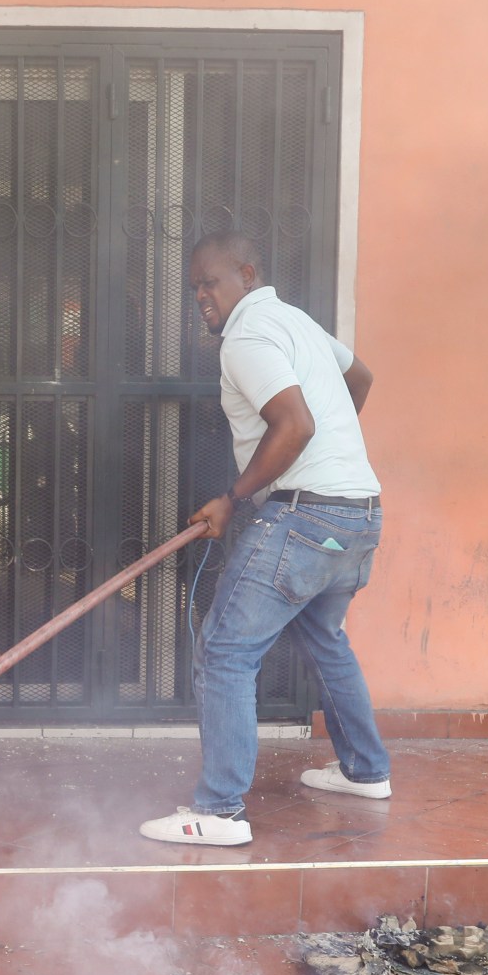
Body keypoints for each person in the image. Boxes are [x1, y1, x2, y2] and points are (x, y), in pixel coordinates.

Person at [140, 232, 391, 846]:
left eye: (211, 282)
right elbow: (359, 376)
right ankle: (366, 771)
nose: (201, 295)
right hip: (358, 515)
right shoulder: (294, 320)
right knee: (324, 639)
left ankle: (219, 811)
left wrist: (232, 499)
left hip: (303, 519)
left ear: (247, 274)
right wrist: (333, 445)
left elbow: (295, 423)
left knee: (226, 652)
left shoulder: (248, 336)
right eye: (194, 285)